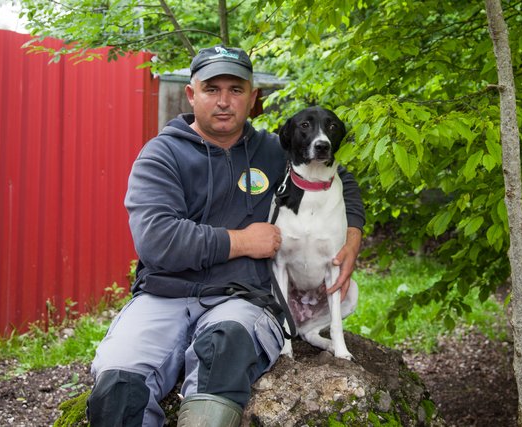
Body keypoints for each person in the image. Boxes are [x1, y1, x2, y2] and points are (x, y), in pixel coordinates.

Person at [86, 45, 365, 427]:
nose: (223, 101)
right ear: (191, 93)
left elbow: (338, 178)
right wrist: (244, 241)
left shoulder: (274, 151)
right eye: (211, 88)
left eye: (235, 90)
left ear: (252, 98)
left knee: (223, 355)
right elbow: (157, 240)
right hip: (163, 295)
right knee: (119, 389)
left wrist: (352, 236)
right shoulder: (161, 156)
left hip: (242, 299)